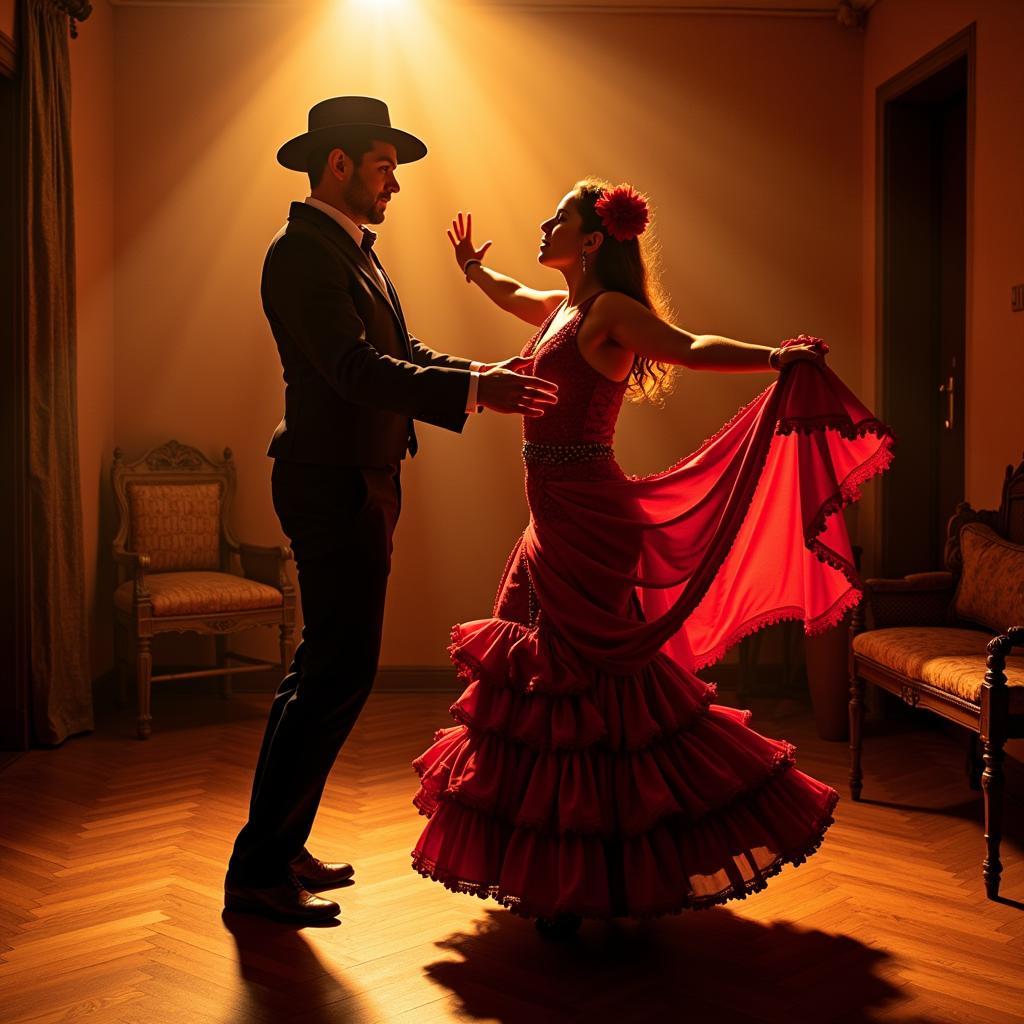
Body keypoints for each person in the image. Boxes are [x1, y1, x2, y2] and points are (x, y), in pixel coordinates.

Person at [411, 179, 894, 936]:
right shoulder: (561, 308)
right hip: (552, 518)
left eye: (557, 219)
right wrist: (473, 269)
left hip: (593, 518)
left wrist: (776, 355)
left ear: (595, 238)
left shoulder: (609, 312)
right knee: (541, 683)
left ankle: (594, 867)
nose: (542, 226)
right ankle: (557, 862)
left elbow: (692, 348)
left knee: (594, 691)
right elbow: (512, 293)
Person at [225, 97, 558, 924]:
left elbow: (401, 357)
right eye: (384, 166)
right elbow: (351, 367)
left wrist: (485, 378)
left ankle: (277, 850)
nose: (395, 185)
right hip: (331, 479)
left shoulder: (351, 253)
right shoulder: (303, 253)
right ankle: (257, 877)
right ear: (336, 164)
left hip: (361, 476)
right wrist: (479, 391)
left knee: (321, 672)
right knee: (338, 674)